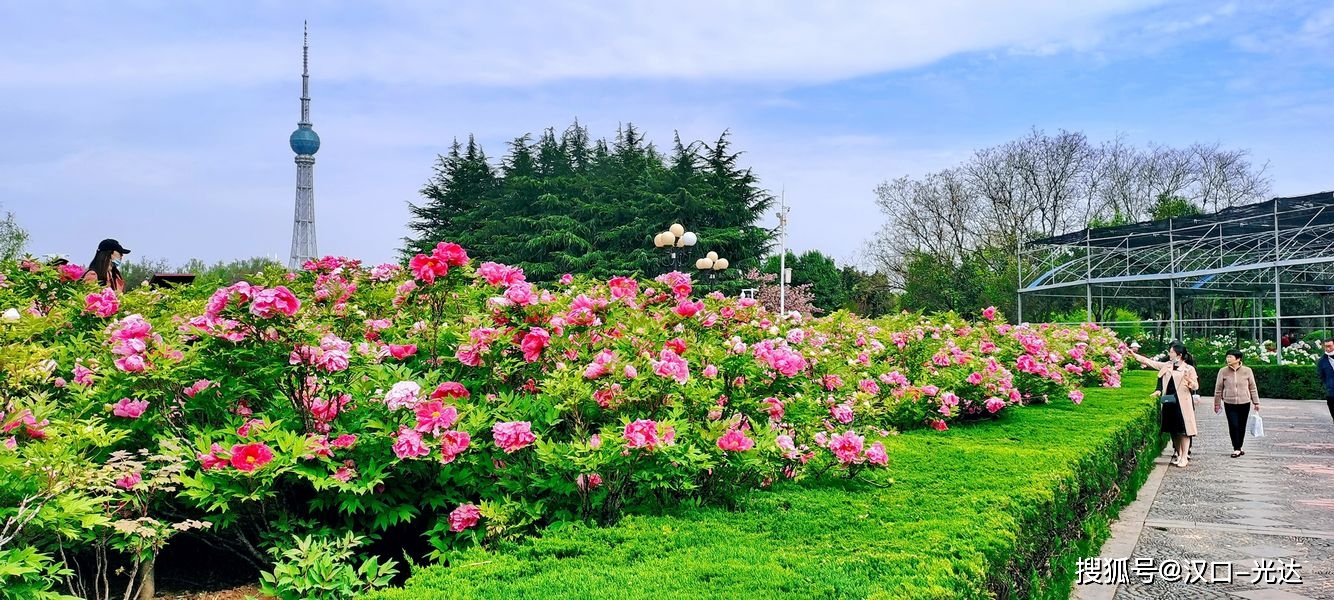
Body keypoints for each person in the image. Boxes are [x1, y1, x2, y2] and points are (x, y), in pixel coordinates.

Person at [1128, 341, 1200, 467]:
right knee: (1173, 430)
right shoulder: (1166, 366)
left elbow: (1195, 386)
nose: (1169, 354)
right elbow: (1150, 362)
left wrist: (1189, 382)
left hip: (1183, 403)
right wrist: (1134, 355)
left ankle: (1184, 456)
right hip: (1169, 402)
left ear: (1179, 355)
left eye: (1171, 352)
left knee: (1184, 430)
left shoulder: (1189, 368)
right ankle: (1178, 454)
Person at [1213, 350, 1260, 458]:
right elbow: (1218, 388)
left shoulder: (1247, 371)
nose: (1228, 359)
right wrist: (1217, 403)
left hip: (1245, 402)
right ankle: (1236, 448)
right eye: (1227, 357)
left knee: (1241, 425)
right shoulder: (1223, 371)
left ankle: (1239, 446)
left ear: (1238, 359)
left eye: (1230, 357)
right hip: (1229, 402)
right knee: (1233, 425)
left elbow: (1252, 387)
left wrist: (1256, 402)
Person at [1317, 339, 1334, 423]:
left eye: (1329, 346)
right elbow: (1321, 376)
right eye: (1325, 347)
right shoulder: (1322, 361)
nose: (1327, 349)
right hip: (1331, 392)